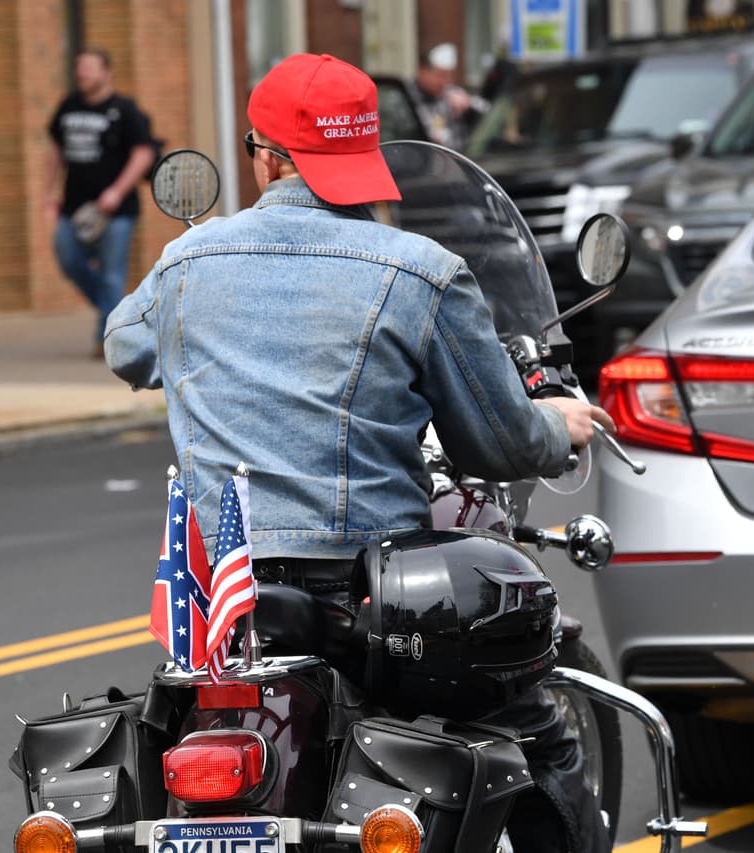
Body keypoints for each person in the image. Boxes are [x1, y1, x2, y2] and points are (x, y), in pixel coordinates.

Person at [105, 53, 613, 853]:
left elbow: (124, 347)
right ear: (362, 158)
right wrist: (559, 425)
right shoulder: (420, 271)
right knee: (539, 736)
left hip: (221, 613)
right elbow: (499, 440)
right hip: (368, 600)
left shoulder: (185, 263)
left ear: (263, 157)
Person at [45, 47, 155, 356]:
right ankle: (118, 315)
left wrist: (118, 190)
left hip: (117, 211)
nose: (82, 74)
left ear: (106, 72)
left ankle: (108, 339)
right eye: (79, 69)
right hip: (74, 207)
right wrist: (48, 194)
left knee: (111, 273)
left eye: (89, 69)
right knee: (69, 259)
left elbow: (144, 153)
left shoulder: (124, 110)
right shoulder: (68, 106)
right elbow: (56, 151)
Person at [407, 42, 485, 152]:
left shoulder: (451, 94)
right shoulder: (406, 96)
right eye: (440, 76)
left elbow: (488, 114)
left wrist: (468, 103)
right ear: (422, 71)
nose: (445, 82)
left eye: (449, 76)